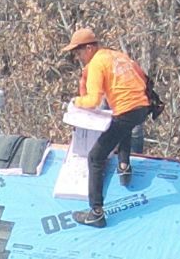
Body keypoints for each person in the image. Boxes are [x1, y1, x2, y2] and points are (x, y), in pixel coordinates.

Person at [59, 27, 156, 227]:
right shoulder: (117, 56)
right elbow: (142, 77)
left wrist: (77, 102)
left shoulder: (96, 64)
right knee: (122, 127)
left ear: (88, 48)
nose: (78, 57)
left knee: (96, 157)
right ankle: (124, 166)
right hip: (143, 106)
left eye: (78, 53)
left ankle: (96, 213)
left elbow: (94, 100)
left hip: (128, 110)